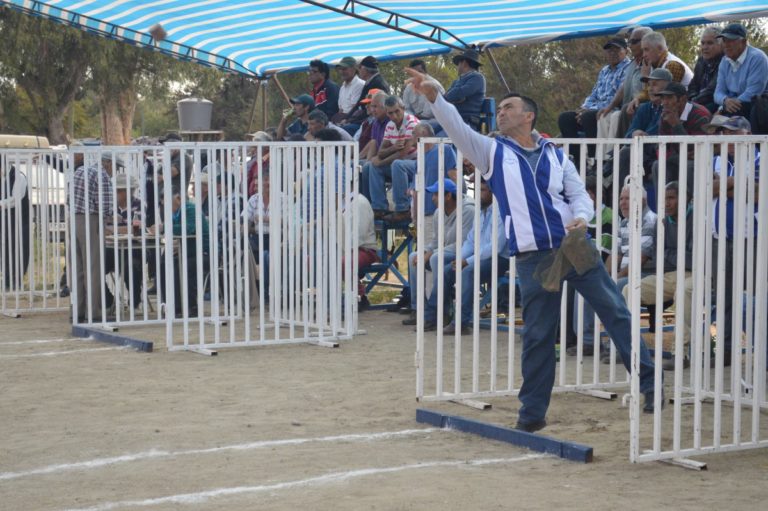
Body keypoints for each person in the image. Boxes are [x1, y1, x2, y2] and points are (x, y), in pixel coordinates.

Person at [405, 67, 661, 431]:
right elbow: (459, 131)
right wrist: (436, 98)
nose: (502, 112)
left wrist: (583, 218)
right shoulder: (492, 150)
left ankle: (650, 384)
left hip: (574, 245)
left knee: (616, 313)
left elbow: (576, 194)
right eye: (501, 109)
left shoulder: (556, 154)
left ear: (529, 116)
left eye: (509, 107)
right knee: (539, 336)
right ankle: (532, 415)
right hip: (533, 255)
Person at [706, 115, 761, 368]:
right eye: (723, 133)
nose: (726, 138)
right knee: (724, 297)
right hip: (721, 240)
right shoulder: (716, 159)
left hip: (754, 240)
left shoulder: (760, 157)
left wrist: (722, 186)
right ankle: (725, 349)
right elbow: (705, 188)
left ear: (746, 134)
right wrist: (737, 185)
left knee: (759, 295)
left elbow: (758, 193)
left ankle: (762, 349)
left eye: (731, 133)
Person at [622, 181, 694, 370]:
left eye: (671, 198)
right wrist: (676, 254)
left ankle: (680, 353)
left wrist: (671, 253)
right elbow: (659, 254)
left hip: (697, 274)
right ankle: (630, 348)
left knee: (684, 291)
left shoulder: (696, 219)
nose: (667, 203)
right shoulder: (663, 222)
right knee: (630, 289)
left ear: (684, 199)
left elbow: (694, 259)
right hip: (671, 274)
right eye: (664, 199)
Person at [425, 180, 509, 334]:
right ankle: (432, 317)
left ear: (493, 193)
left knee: (467, 271)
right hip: (481, 257)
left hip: (500, 259)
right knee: (446, 271)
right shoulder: (481, 212)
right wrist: (460, 258)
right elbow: (471, 241)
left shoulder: (501, 212)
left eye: (482, 190)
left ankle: (461, 322)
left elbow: (494, 247)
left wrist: (467, 261)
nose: (478, 194)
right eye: (478, 190)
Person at [402, 178, 474, 326]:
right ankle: (418, 309)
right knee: (413, 257)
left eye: (436, 194)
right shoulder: (438, 213)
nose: (433, 198)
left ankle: (442, 312)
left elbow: (464, 243)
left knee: (436, 258)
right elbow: (436, 240)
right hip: (445, 251)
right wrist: (426, 251)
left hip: (464, 254)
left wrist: (431, 253)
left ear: (448, 196)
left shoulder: (468, 210)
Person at [558, 37, 630, 162]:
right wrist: (584, 108)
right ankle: (578, 160)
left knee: (589, 117)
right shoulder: (604, 70)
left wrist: (590, 110)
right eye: (609, 51)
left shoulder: (628, 68)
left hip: (613, 110)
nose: (612, 53)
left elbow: (619, 96)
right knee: (566, 118)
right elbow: (594, 93)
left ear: (626, 51)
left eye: (617, 50)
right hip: (595, 109)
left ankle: (594, 160)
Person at [71, 154, 114, 322]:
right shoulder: (101, 175)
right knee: (94, 267)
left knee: (78, 268)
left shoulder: (79, 171)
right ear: (108, 163)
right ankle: (94, 312)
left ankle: (78, 310)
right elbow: (104, 204)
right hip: (91, 219)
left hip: (74, 219)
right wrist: (108, 222)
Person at [156, 187, 210, 318]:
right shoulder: (177, 213)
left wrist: (165, 227)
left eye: (168, 203)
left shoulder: (189, 209)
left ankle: (189, 306)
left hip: (204, 253)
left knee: (181, 266)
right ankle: (170, 304)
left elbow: (188, 229)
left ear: (178, 199)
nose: (167, 208)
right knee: (164, 262)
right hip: (188, 252)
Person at [364, 95, 419, 220]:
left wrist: (381, 161)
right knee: (371, 166)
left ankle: (403, 209)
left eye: (397, 111)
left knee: (397, 164)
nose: (394, 116)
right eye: (390, 113)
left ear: (403, 108)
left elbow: (403, 153)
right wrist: (393, 148)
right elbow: (382, 151)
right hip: (400, 163)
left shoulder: (412, 123)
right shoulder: (390, 125)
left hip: (416, 164)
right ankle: (379, 207)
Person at [652, 81, 712, 190]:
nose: (665, 102)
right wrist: (673, 155)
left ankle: (692, 205)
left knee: (689, 166)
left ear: (683, 99)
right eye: (663, 98)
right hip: (677, 158)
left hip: (703, 160)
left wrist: (675, 124)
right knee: (658, 165)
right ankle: (662, 205)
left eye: (669, 98)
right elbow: (661, 146)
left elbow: (695, 149)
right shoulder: (666, 115)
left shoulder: (700, 115)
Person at [598, 26, 653, 140]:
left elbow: (652, 91)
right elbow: (623, 87)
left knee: (616, 116)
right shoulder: (633, 64)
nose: (630, 45)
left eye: (633, 42)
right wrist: (610, 106)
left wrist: (645, 76)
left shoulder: (652, 63)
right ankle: (602, 156)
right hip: (628, 107)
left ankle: (613, 155)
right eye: (629, 42)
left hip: (643, 108)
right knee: (604, 115)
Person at [714, 22, 768, 119]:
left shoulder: (758, 58)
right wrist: (725, 101)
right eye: (724, 40)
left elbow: (752, 94)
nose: (726, 44)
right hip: (734, 105)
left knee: (721, 120)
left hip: (756, 106)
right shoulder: (724, 61)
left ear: (743, 42)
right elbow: (717, 93)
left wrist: (723, 108)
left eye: (731, 40)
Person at [435, 49, 486, 132]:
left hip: (466, 123)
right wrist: (455, 97)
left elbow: (456, 94)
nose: (457, 67)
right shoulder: (458, 80)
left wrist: (454, 95)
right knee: (426, 131)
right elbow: (445, 98)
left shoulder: (477, 78)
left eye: (458, 63)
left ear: (464, 63)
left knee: (433, 139)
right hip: (453, 120)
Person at [0, 162, 30, 290]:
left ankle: (16, 281)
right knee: (5, 249)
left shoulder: (19, 177)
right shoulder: (4, 176)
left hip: (19, 221)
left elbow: (15, 200)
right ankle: (7, 280)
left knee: (18, 249)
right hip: (5, 220)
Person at [341, 56, 390, 134]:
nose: (358, 70)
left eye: (360, 67)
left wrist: (349, 120)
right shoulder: (371, 81)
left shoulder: (377, 84)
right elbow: (360, 103)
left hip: (373, 120)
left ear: (365, 70)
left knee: (344, 130)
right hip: (366, 119)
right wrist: (347, 119)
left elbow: (366, 108)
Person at [687, 27, 724, 113]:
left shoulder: (724, 61)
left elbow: (711, 91)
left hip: (714, 103)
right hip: (698, 101)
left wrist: (693, 103)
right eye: (702, 43)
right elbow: (692, 86)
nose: (704, 47)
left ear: (721, 45)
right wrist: (692, 99)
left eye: (710, 43)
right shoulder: (701, 60)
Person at [333, 56, 365, 124]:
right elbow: (341, 110)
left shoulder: (359, 84)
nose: (341, 71)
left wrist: (344, 121)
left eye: (344, 69)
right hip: (343, 120)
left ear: (354, 69)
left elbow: (356, 110)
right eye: (340, 69)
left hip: (355, 122)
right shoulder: (342, 87)